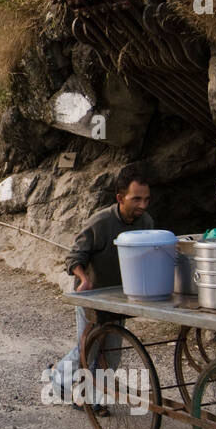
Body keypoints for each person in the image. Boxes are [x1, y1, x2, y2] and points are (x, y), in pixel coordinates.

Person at [63, 164, 154, 405]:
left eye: (146, 199)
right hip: (93, 294)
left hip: (121, 298)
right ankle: (59, 380)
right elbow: (73, 257)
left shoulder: (146, 223)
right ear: (120, 198)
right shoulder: (100, 222)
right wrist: (84, 280)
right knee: (88, 349)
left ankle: (94, 399)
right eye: (136, 199)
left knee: (111, 354)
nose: (142, 206)